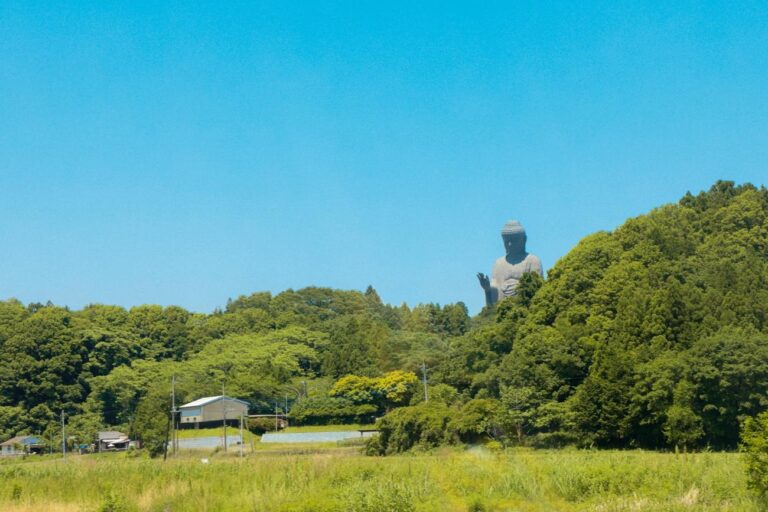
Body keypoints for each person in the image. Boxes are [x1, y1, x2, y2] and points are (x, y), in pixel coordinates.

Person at [477, 220, 543, 307]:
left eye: (513, 241)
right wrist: (488, 289)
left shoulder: (532, 261)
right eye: (506, 241)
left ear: (524, 240)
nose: (510, 244)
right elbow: (493, 300)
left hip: (525, 310)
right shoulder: (499, 264)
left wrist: (519, 289)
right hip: (503, 311)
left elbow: (538, 291)